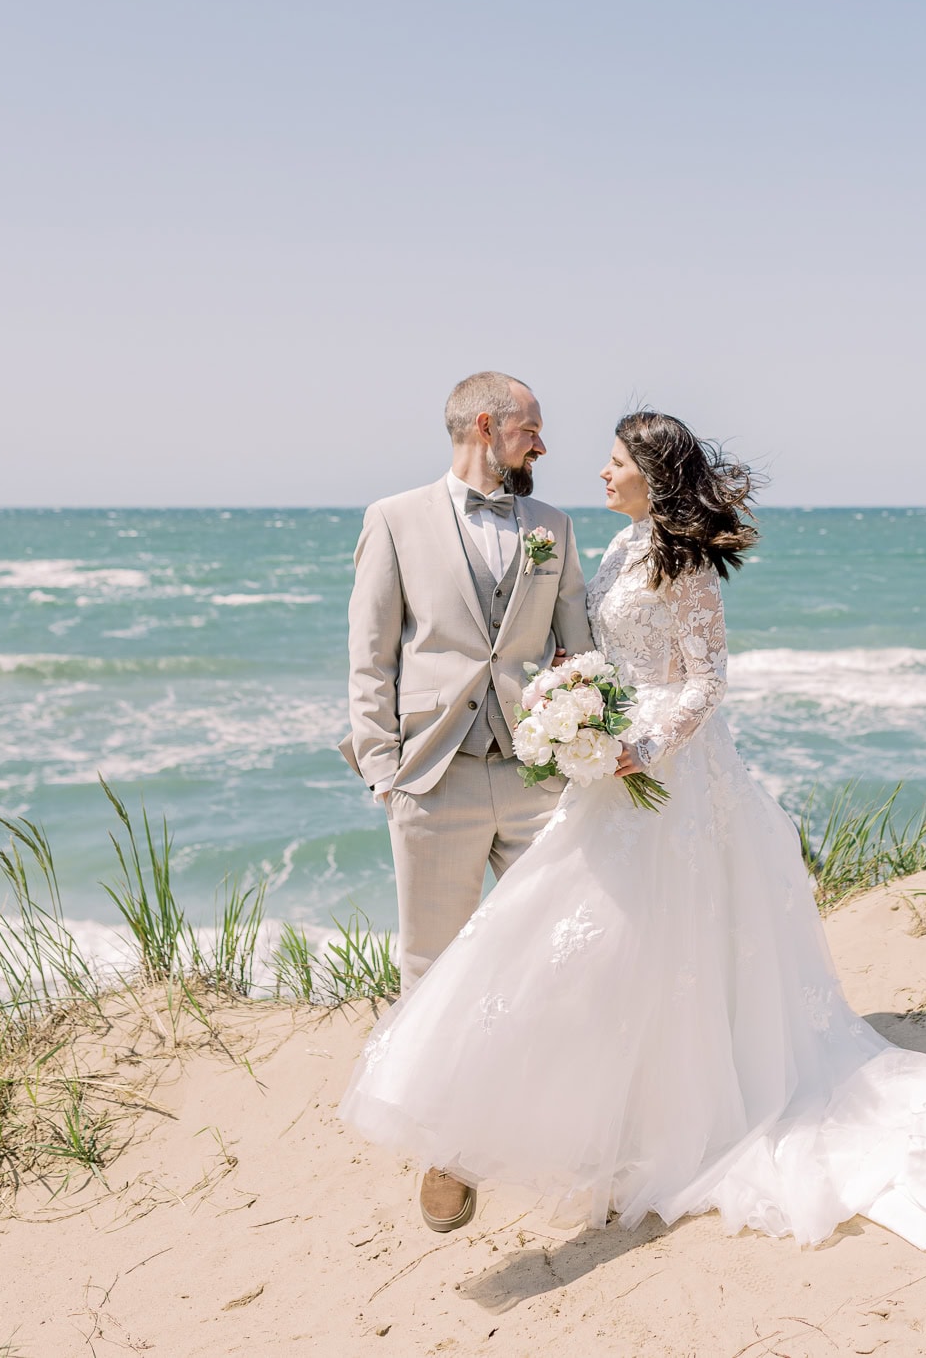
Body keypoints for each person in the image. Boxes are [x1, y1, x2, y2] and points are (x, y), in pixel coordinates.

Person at [340, 410, 926, 1252]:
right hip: (611, 765)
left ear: (651, 475)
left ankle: (642, 1117)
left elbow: (707, 681)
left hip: (671, 774)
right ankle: (541, 1116)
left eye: (615, 460)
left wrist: (644, 746)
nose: (601, 472)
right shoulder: (622, 548)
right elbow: (596, 650)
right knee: (591, 935)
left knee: (639, 935)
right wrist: (574, 699)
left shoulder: (683, 562)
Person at [339, 370, 593, 1233]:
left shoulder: (552, 528)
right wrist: (382, 769)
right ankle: (444, 1147)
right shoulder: (394, 518)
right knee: (432, 969)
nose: (543, 445)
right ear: (486, 425)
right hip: (434, 777)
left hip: (536, 777)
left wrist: (583, 735)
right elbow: (370, 656)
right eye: (532, 429)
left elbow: (579, 650)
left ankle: (557, 1130)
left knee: (561, 952)